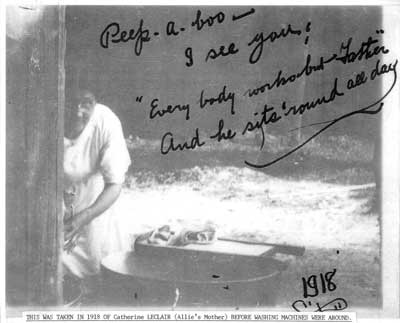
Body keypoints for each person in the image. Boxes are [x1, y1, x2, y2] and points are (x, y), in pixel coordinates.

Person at [63, 89, 131, 287]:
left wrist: (83, 218)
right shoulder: (45, 115)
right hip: (56, 210)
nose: (77, 112)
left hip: (96, 209)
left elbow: (114, 185)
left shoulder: (105, 122)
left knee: (97, 272)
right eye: (71, 102)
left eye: (86, 104)